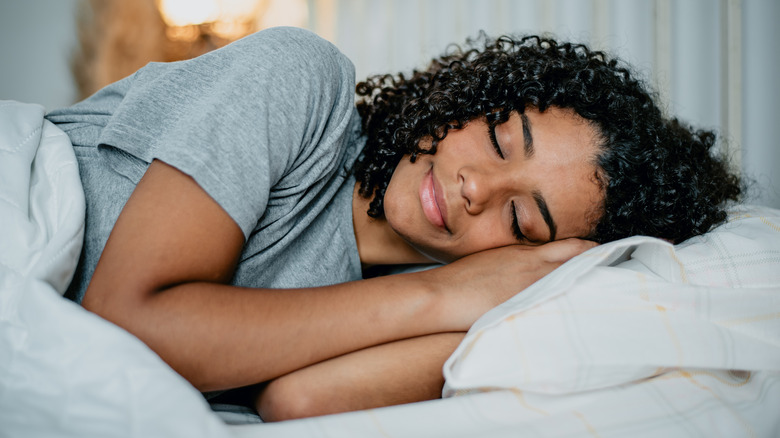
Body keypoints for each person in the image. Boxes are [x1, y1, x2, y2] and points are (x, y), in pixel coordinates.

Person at [46, 26, 741, 421]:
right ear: (473, 100)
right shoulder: (302, 82)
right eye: (500, 140)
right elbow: (125, 324)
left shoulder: (441, 299)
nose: (476, 188)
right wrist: (439, 296)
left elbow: (300, 402)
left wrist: (477, 300)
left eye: (521, 218)